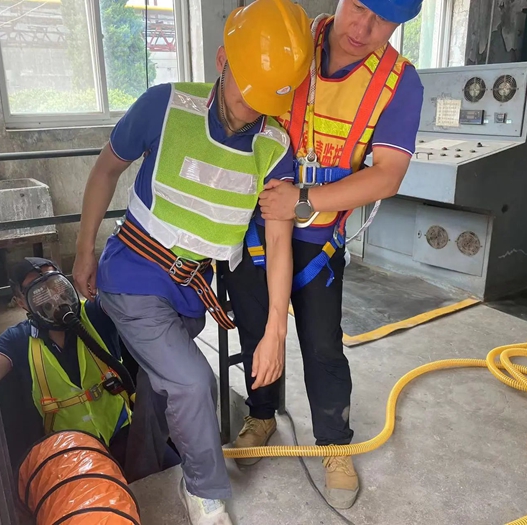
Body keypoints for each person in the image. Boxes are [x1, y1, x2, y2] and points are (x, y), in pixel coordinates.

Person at [71, 1, 313, 523]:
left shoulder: (274, 147)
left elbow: (279, 243)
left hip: (189, 290)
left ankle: (143, 469)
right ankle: (203, 491)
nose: (250, 111)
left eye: (267, 100)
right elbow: (105, 171)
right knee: (191, 382)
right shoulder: (164, 106)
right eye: (246, 92)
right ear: (223, 60)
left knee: (161, 387)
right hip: (133, 274)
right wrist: (84, 249)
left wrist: (275, 331)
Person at [223, 0, 426, 510]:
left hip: (317, 241)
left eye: (384, 20)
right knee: (255, 330)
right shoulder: (290, 42)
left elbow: (387, 175)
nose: (364, 27)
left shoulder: (398, 82)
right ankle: (262, 415)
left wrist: (305, 200)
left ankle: (334, 442)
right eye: (359, 6)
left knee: (322, 345)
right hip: (256, 228)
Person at [0, 257, 132, 467]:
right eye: (38, 292)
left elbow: (127, 298)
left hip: (123, 431)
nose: (53, 296)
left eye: (55, 283)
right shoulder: (17, 340)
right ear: (21, 302)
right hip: (70, 455)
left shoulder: (94, 314)